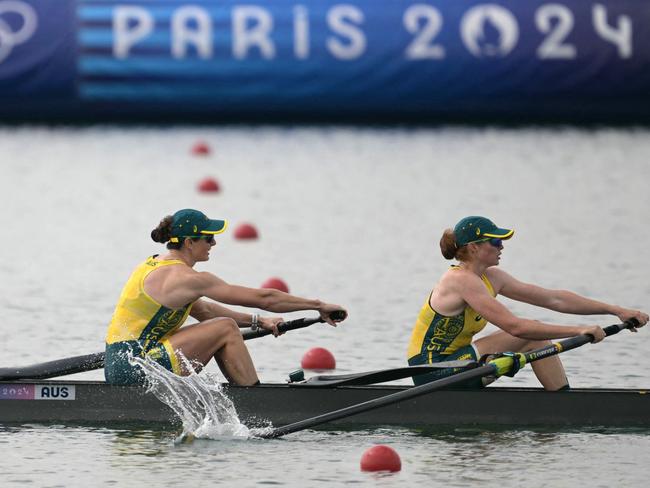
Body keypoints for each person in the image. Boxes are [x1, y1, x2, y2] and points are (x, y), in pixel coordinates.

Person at [105, 209, 347, 386]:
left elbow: (205, 312)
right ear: (189, 243)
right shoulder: (188, 278)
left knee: (219, 325)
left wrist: (259, 321)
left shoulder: (154, 264)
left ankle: (248, 391)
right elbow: (266, 298)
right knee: (226, 329)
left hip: (121, 363)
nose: (214, 243)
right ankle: (255, 401)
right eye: (208, 238)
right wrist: (318, 305)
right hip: (138, 368)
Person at [407, 216, 648, 390]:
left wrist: (615, 310)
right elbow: (516, 328)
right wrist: (578, 331)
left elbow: (554, 299)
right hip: (432, 370)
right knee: (530, 333)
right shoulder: (460, 280)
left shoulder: (492, 278)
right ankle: (562, 407)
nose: (502, 247)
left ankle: (563, 403)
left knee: (536, 336)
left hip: (459, 360)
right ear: (474, 248)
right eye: (496, 242)